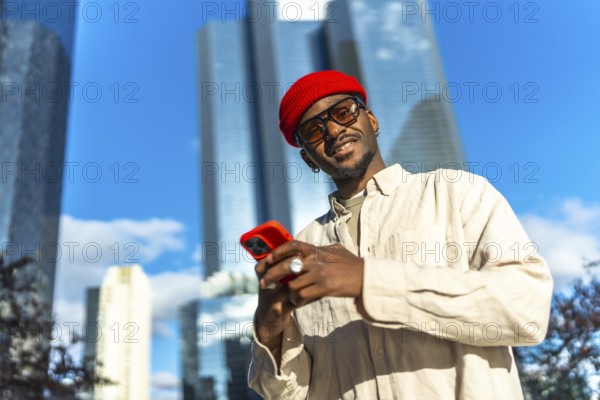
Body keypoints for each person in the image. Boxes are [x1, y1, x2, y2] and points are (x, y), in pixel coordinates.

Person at [248, 70, 553, 399]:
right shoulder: (305, 250)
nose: (334, 130)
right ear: (308, 157)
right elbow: (286, 394)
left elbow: (527, 310)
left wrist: (371, 280)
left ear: (372, 120)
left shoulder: (459, 192)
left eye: (342, 112)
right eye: (314, 130)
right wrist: (270, 323)